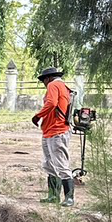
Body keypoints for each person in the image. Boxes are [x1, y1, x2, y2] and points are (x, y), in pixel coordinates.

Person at [32, 65, 75, 206]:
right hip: (50, 130)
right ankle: (53, 196)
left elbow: (51, 103)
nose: (44, 84)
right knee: (50, 164)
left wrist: (38, 116)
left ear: (48, 78)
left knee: (61, 164)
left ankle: (69, 198)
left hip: (57, 131)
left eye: (44, 80)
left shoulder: (53, 85)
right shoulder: (63, 87)